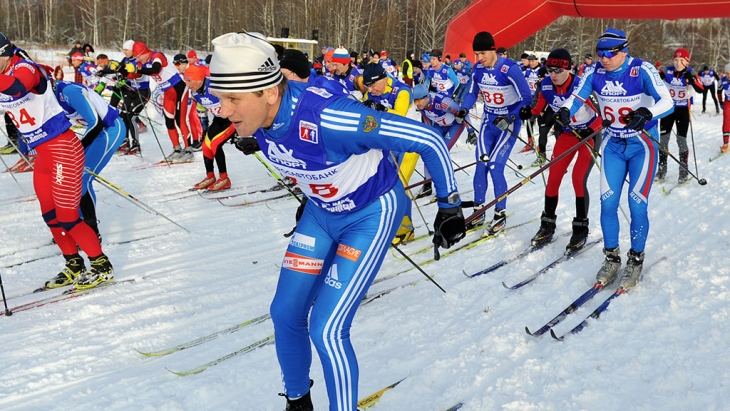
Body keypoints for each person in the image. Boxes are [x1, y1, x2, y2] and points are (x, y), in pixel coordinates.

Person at [207, 31, 465, 411]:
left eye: (232, 100)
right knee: (285, 313)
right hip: (321, 215)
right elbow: (291, 145)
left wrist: (449, 205)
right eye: (219, 98)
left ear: (270, 93)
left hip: (370, 214)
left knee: (326, 329)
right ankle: (298, 402)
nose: (222, 110)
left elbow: (428, 138)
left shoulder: (334, 118)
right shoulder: (259, 116)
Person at [558, 27, 673, 289]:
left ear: (623, 51)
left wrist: (647, 112)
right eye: (600, 52)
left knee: (636, 204)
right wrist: (566, 110)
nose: (604, 58)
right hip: (612, 144)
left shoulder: (641, 69)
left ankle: (635, 258)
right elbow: (577, 97)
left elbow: (666, 101)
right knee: (608, 203)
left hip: (642, 145)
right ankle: (612, 257)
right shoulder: (595, 71)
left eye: (610, 53)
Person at [0, 32, 114, 291]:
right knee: (50, 216)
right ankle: (74, 264)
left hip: (63, 149)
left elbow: (17, 87)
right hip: (43, 155)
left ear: (3, 54)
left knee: (67, 216)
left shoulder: (26, 68)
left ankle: (101, 265)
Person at [528, 49, 602, 253]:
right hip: (568, 135)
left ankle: (580, 228)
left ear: (568, 68)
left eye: (558, 70)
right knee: (553, 176)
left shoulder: (581, 85)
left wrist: (590, 129)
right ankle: (547, 224)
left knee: (578, 179)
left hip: (589, 134)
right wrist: (526, 111)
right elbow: (537, 107)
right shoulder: (546, 85)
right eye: (549, 69)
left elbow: (602, 115)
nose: (553, 74)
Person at [459, 31, 532, 236]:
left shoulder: (510, 68)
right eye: (476, 54)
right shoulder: (477, 69)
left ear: (492, 49)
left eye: (482, 53)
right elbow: (473, 93)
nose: (479, 58)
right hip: (488, 122)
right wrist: (465, 108)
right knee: (481, 164)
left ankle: (500, 214)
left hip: (507, 124)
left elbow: (527, 98)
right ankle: (479, 211)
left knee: (495, 167)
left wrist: (511, 117)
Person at [52, 79, 127, 241]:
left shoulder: (68, 92)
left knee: (82, 178)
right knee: (71, 178)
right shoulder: (52, 97)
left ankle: (91, 230)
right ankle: (75, 224)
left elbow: (96, 123)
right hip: (96, 132)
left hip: (110, 129)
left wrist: (78, 147)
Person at [361, 63, 417, 244]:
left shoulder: (402, 90)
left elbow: (399, 115)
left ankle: (405, 229)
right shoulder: (372, 91)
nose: (371, 90)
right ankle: (393, 225)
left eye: (373, 86)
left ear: (383, 79)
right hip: (389, 144)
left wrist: (379, 109)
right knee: (384, 186)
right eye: (368, 87)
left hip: (410, 144)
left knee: (399, 186)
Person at [128, 41, 193, 162]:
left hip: (179, 89)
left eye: (138, 56)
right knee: (169, 122)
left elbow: (156, 69)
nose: (138, 59)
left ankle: (188, 150)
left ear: (145, 52)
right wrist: (123, 70)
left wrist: (138, 69)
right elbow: (135, 75)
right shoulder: (141, 61)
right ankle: (177, 149)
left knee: (180, 120)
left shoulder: (157, 56)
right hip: (168, 92)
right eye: (136, 57)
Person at [184, 65, 235, 191]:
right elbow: (202, 110)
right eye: (185, 81)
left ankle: (224, 179)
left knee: (215, 144)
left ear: (199, 79)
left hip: (233, 118)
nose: (187, 84)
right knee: (206, 144)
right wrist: (205, 129)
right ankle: (210, 176)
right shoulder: (194, 92)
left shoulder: (214, 87)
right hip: (219, 119)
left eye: (189, 81)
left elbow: (235, 100)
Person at [656, 47, 704, 183]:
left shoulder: (691, 72)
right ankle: (662, 169)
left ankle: (683, 171)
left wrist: (693, 80)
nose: (677, 63)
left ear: (687, 62)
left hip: (683, 110)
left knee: (681, 141)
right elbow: (653, 81)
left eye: (681, 60)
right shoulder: (666, 70)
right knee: (663, 140)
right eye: (675, 60)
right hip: (668, 109)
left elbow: (701, 89)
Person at [412, 83, 466, 198]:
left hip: (454, 125)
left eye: (418, 100)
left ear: (426, 97)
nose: (416, 103)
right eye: (414, 101)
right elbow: (426, 118)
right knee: (428, 150)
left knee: (442, 153)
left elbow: (463, 113)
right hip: (439, 126)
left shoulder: (442, 102)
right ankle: (427, 186)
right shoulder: (422, 106)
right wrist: (429, 134)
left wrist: (471, 132)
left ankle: (448, 187)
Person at [718, 63, 730, 153]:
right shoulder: (722, 80)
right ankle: (725, 143)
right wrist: (720, 101)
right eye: (727, 73)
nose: (729, 75)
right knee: (726, 121)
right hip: (728, 101)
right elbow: (719, 91)